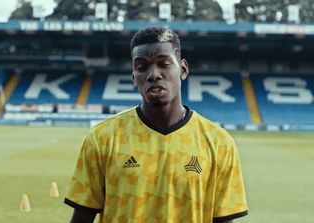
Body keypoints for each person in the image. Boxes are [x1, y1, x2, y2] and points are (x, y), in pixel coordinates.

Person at [64, 26, 248, 223]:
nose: (153, 74)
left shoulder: (219, 143)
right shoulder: (102, 138)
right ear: (134, 77)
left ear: (183, 69)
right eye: (142, 67)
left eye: (164, 63)